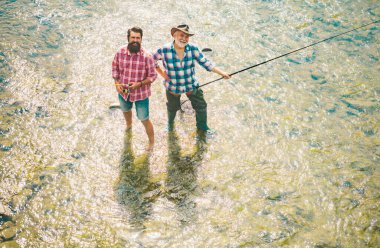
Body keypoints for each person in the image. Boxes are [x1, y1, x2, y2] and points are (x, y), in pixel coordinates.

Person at [153, 24, 231, 132]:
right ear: (174, 35)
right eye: (181, 35)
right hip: (173, 87)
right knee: (172, 107)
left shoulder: (193, 48)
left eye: (187, 36)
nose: (184, 39)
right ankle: (170, 125)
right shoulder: (164, 50)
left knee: (201, 106)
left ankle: (203, 127)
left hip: (191, 85)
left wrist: (222, 73)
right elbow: (151, 61)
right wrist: (162, 73)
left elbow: (205, 63)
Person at [112, 27, 157, 149]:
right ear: (128, 38)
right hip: (123, 92)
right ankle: (129, 125)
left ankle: (151, 142)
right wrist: (117, 83)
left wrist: (140, 84)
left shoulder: (147, 57)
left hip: (141, 94)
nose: (135, 40)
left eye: (138, 38)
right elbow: (115, 68)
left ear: (141, 39)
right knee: (125, 110)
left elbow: (153, 76)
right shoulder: (120, 52)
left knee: (144, 118)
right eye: (133, 37)